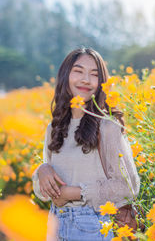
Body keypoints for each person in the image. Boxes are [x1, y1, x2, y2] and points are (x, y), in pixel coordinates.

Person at [32, 47, 140, 241]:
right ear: (65, 76)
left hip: (93, 226)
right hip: (55, 223)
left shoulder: (107, 127)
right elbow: (46, 194)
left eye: (94, 74)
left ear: (101, 83)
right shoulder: (54, 127)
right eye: (78, 71)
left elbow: (128, 187)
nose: (86, 80)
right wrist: (42, 169)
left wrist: (74, 193)